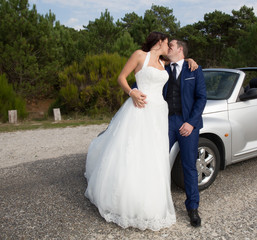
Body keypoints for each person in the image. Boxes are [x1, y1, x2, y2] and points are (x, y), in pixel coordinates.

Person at [84, 32, 176, 231]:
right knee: (133, 151)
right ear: (159, 42)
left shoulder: (163, 62)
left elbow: (181, 60)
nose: (169, 46)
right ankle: (126, 200)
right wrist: (132, 91)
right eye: (167, 42)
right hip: (140, 109)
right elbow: (121, 77)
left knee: (154, 154)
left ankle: (150, 201)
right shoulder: (139, 55)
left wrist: (192, 60)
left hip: (159, 111)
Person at [164, 39, 207, 227]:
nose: (167, 48)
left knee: (189, 165)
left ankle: (192, 208)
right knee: (158, 161)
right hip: (165, 121)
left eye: (170, 46)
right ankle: (156, 203)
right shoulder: (162, 68)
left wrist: (191, 122)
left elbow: (201, 98)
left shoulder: (194, 69)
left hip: (187, 122)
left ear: (180, 50)